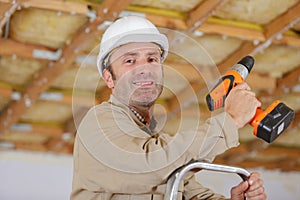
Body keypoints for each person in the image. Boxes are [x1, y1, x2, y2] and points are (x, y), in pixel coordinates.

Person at [71, 16, 266, 200]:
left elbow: (188, 192)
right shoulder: (98, 122)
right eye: (129, 60)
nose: (144, 68)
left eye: (152, 59)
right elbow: (146, 167)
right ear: (108, 78)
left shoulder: (154, 141)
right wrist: (230, 120)